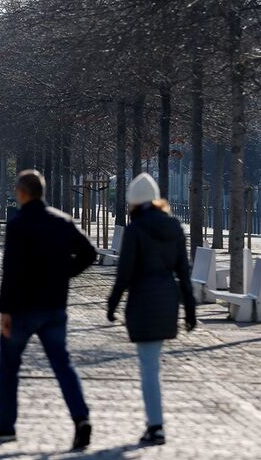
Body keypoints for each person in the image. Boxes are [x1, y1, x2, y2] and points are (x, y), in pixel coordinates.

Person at [0, 170, 97, 451]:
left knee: (9, 367)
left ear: (23, 193)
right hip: (54, 307)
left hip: (22, 308)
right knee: (63, 365)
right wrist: (64, 274)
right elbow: (89, 253)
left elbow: (10, 271)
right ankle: (81, 418)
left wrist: (4, 310)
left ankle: (6, 425)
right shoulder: (62, 221)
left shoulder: (18, 224)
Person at [106, 173, 196, 447]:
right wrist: (190, 310)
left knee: (148, 368)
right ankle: (154, 424)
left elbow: (124, 273)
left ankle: (155, 425)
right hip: (167, 299)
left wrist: (112, 304)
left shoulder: (135, 229)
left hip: (143, 301)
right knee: (152, 364)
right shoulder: (174, 227)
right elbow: (183, 271)